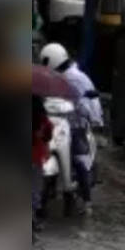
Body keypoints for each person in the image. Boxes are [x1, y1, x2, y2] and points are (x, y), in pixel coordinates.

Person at [41, 42, 102, 213]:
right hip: (55, 121)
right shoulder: (55, 77)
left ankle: (87, 203)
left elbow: (89, 102)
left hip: (75, 124)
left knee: (78, 159)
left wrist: (90, 117)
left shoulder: (76, 78)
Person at [32, 96, 53, 230]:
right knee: (34, 189)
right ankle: (32, 218)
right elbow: (48, 136)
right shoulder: (42, 119)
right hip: (35, 158)